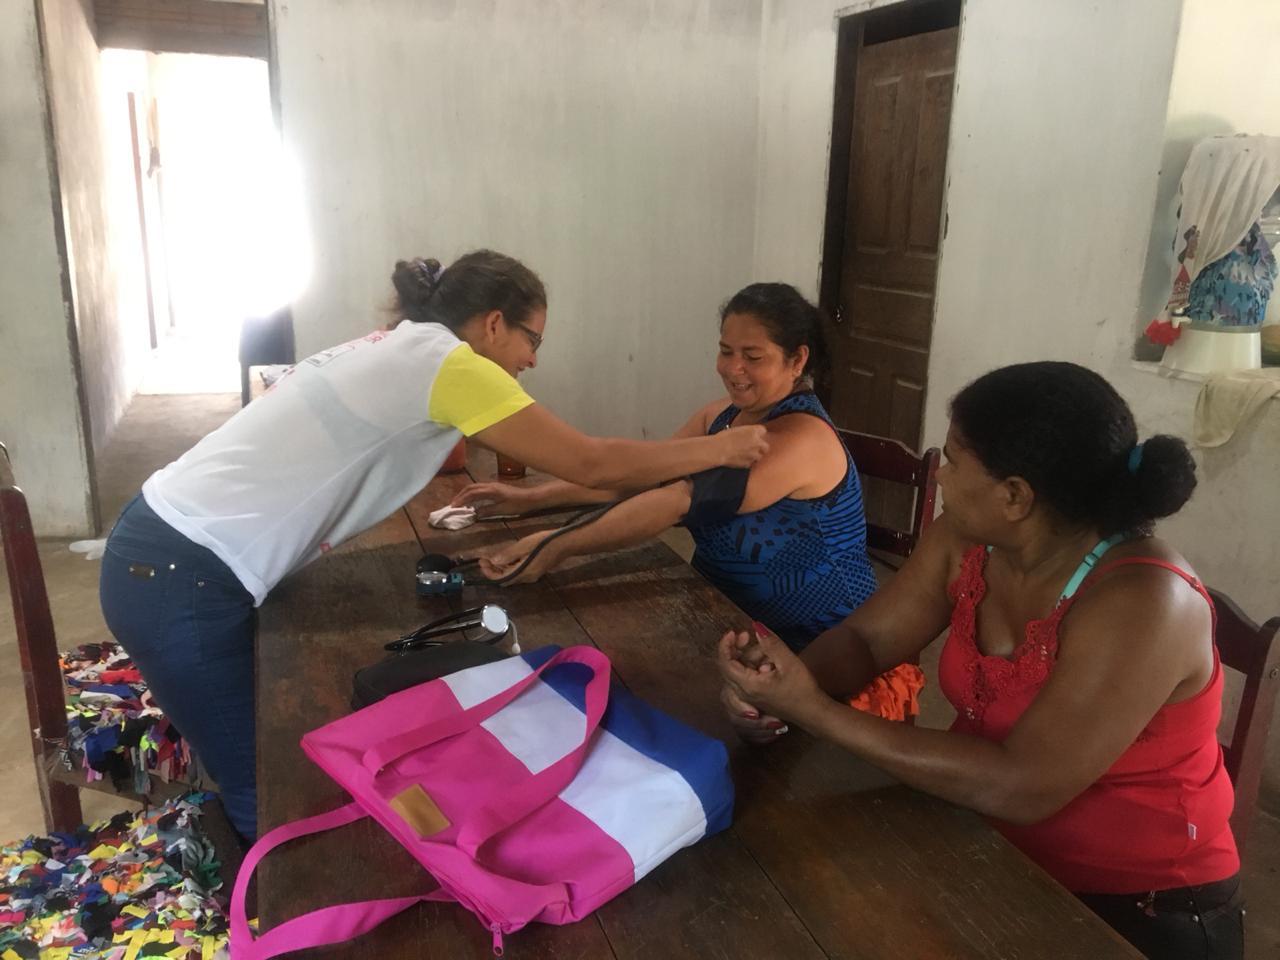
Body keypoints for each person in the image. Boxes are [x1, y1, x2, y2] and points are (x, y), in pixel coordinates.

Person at [99, 249, 768, 840]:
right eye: (530, 338)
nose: (532, 359)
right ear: (494, 324)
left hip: (164, 545)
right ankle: (265, 925)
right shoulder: (448, 364)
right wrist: (721, 447)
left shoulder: (398, 344)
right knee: (274, 795)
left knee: (281, 756)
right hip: (181, 575)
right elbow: (591, 463)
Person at [718, 361, 1243, 960]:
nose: (938, 473)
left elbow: (1023, 785)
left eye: (956, 461)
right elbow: (866, 641)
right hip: (986, 847)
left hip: (1134, 911)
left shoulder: (1145, 601)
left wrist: (810, 708)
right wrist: (774, 684)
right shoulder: (965, 541)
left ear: (1015, 496)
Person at [455, 282, 879, 653]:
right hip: (722, 616)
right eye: (726, 351)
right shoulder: (720, 419)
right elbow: (639, 477)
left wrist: (555, 545)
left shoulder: (800, 439)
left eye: (753, 356)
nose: (733, 368)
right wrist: (529, 499)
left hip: (815, 646)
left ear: (796, 360)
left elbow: (676, 501)